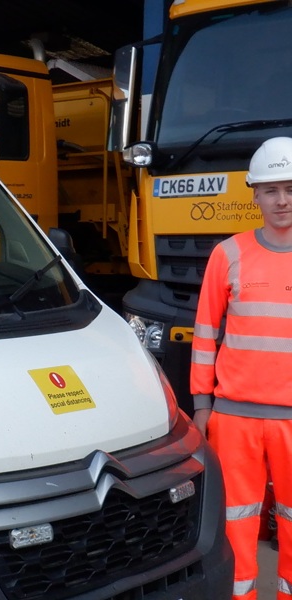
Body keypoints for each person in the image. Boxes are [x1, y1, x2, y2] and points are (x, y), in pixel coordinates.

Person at [191, 136, 292, 600]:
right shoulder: (227, 254)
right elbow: (206, 332)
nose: (282, 200)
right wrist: (202, 405)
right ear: (253, 194)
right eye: (271, 189)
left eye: (291, 188)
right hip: (234, 419)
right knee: (235, 521)